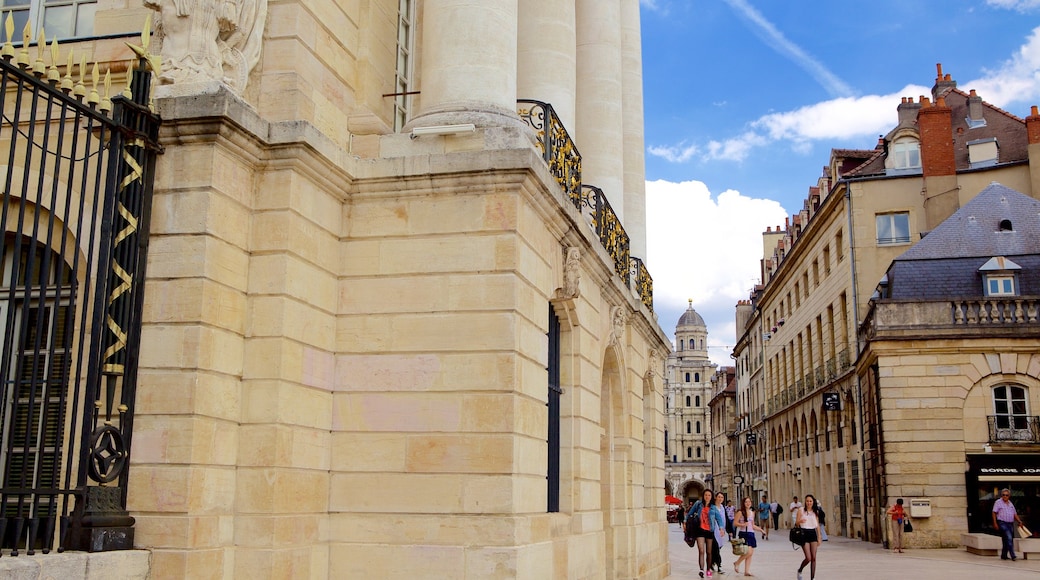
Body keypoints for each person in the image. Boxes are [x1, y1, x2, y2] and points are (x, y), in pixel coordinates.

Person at [686, 489, 726, 578]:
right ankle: (701, 569)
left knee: (709, 552)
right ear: (703, 496)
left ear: (711, 497)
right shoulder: (698, 504)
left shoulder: (713, 507)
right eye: (705, 495)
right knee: (701, 550)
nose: (707, 497)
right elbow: (690, 514)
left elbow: (719, 519)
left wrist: (721, 528)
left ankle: (708, 570)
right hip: (699, 530)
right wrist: (685, 522)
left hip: (709, 531)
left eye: (709, 495)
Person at [733, 496, 766, 577]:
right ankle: (737, 563)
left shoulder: (752, 512)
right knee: (748, 551)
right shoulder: (740, 512)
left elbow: (753, 525)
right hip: (744, 533)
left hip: (751, 533)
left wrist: (761, 530)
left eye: (749, 502)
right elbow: (735, 523)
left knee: (750, 553)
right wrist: (743, 524)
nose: (748, 503)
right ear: (743, 503)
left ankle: (747, 571)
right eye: (746, 502)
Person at [794, 493, 822, 580]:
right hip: (804, 533)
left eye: (810, 501)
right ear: (805, 502)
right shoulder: (801, 510)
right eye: (807, 501)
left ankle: (812, 578)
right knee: (808, 558)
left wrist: (819, 537)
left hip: (812, 533)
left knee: (814, 557)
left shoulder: (815, 512)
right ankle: (800, 569)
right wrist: (800, 521)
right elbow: (796, 523)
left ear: (813, 502)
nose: (809, 503)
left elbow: (817, 525)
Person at [993, 487, 1024, 561]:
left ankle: (1004, 555)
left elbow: (1014, 514)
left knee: (1006, 539)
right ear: (1001, 495)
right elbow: (994, 513)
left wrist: (1019, 521)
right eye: (1003, 495)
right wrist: (995, 523)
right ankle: (1013, 555)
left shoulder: (1010, 503)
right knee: (1009, 538)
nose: (1005, 496)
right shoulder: (998, 502)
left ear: (1009, 496)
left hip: (1010, 523)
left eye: (1006, 495)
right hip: (1002, 522)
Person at [712, 492, 727, 575]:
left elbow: (725, 519)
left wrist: (727, 530)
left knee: (718, 547)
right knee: (716, 548)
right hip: (713, 531)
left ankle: (712, 562)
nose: (720, 498)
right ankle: (719, 565)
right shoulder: (713, 507)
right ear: (716, 498)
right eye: (719, 497)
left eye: (722, 497)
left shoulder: (722, 507)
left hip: (721, 531)